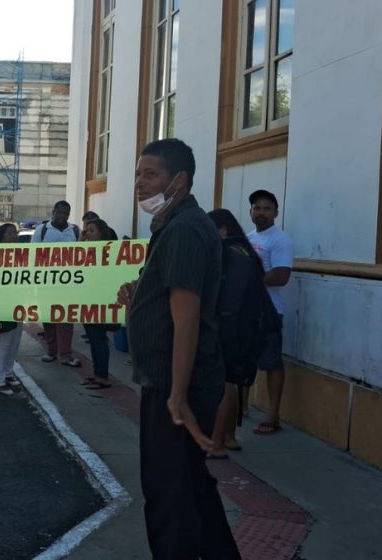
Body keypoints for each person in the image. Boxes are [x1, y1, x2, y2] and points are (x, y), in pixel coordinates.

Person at [121, 138, 240, 558]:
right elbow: (172, 298)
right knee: (192, 489)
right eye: (138, 174)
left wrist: (177, 395)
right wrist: (140, 296)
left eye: (150, 174)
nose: (139, 183)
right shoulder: (173, 226)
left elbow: (186, 317)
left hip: (177, 385)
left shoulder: (186, 230)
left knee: (169, 497)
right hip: (175, 381)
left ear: (179, 180)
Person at [207, 208, 268, 458]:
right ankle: (229, 437)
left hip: (230, 326)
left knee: (224, 384)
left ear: (222, 230)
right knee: (232, 381)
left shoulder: (230, 254)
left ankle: (216, 443)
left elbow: (228, 297)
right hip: (244, 327)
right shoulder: (244, 251)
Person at [247, 189, 293, 435]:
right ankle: (240, 409)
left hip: (270, 311)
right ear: (250, 212)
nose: (261, 212)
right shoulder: (248, 237)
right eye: (257, 208)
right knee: (244, 361)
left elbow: (282, 276)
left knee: (272, 363)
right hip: (247, 311)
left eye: (266, 208)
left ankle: (273, 416)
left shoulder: (280, 240)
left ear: (276, 212)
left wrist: (251, 281)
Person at [32, 200, 81, 367]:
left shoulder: (74, 230)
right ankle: (51, 351)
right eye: (60, 212)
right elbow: (33, 256)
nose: (62, 216)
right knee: (49, 318)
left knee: (66, 320)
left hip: (68, 285)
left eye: (66, 213)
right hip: (47, 284)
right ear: (53, 212)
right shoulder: (42, 230)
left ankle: (65, 354)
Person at [0, 223, 23, 395]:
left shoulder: (21, 255)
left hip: (19, 302)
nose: (15, 236)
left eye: (15, 233)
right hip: (2, 304)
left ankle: (8, 373)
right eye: (10, 234)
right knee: (4, 343)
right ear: (2, 237)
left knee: (15, 342)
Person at [80, 218, 115, 390]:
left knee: (99, 339)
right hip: (88, 300)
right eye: (86, 230)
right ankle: (97, 373)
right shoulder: (87, 250)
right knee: (93, 339)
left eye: (91, 231)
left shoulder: (108, 251)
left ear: (102, 233)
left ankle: (103, 377)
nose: (87, 233)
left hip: (100, 302)